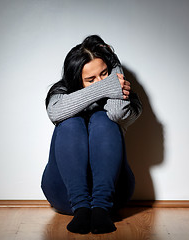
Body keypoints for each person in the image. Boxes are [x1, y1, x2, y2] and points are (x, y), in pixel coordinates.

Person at [41, 35, 142, 234]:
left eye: (105, 74)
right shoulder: (61, 92)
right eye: (90, 79)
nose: (101, 81)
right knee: (70, 121)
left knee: (104, 119)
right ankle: (81, 209)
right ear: (76, 80)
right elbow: (55, 112)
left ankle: (100, 209)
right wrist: (105, 86)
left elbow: (117, 112)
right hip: (63, 193)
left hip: (114, 195)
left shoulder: (126, 94)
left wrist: (115, 63)